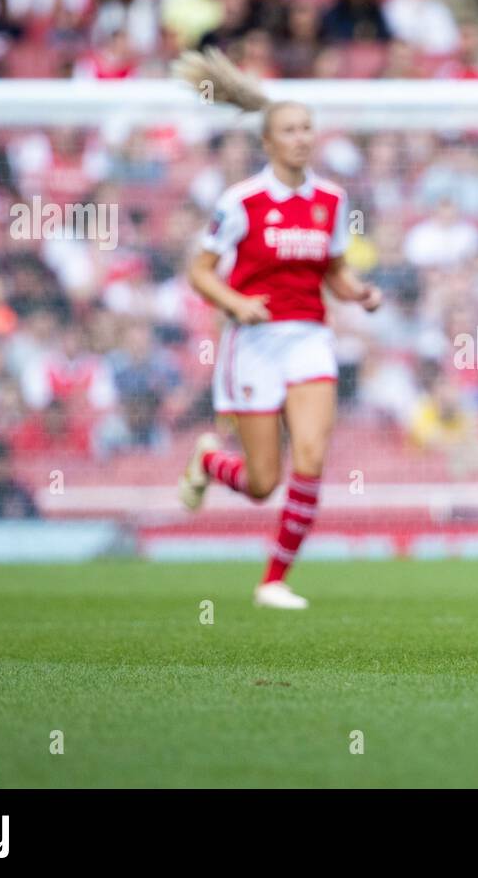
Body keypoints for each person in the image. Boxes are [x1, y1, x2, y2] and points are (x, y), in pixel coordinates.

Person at [172, 47, 383, 610]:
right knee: (263, 481)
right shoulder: (242, 201)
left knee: (311, 456)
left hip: (310, 339)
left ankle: (274, 580)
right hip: (256, 345)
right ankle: (210, 462)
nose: (301, 138)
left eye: (307, 128)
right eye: (289, 130)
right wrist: (237, 304)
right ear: (268, 142)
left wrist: (358, 291)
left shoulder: (331, 200)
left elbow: (333, 270)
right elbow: (199, 271)